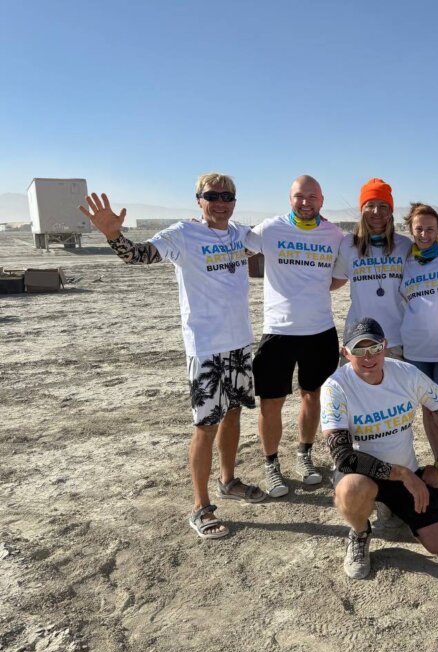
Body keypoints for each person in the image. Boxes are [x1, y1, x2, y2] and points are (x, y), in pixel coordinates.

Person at [78, 174, 267, 541]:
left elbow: (274, 241)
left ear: (234, 201)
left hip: (240, 343)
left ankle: (228, 481)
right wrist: (113, 235)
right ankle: (200, 506)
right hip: (206, 347)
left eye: (227, 196)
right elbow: (137, 255)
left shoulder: (240, 235)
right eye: (212, 196)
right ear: (199, 200)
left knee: (233, 414)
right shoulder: (183, 234)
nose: (220, 202)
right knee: (206, 425)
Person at [320, 318, 438, 579]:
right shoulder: (335, 387)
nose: (369, 357)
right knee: (351, 490)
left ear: (385, 345)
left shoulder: (406, 374)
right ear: (346, 353)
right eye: (359, 350)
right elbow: (343, 457)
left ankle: (395, 509)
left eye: (375, 348)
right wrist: (402, 474)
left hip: (406, 475)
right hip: (364, 475)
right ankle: (360, 532)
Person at [245, 175, 346, 496]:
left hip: (320, 331)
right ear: (290, 199)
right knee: (271, 402)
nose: (306, 202)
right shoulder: (269, 229)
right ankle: (271, 464)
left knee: (313, 396)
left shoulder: (334, 235)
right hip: (278, 331)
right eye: (300, 196)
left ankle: (305, 455)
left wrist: (312, 289)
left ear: (322, 200)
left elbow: (338, 279)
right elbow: (236, 248)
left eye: (312, 197)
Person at [399, 202, 438, 458]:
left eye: (430, 229)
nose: (424, 235)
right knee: (427, 409)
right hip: (415, 349)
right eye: (419, 229)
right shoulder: (405, 261)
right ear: (411, 230)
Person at [332, 178, 410, 359]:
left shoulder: (405, 245)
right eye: (370, 205)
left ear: (391, 210)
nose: (376, 211)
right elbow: (334, 281)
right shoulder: (348, 244)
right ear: (362, 210)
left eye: (383, 206)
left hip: (397, 339)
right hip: (358, 339)